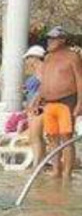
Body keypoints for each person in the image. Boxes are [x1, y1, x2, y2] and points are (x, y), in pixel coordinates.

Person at [39, 26, 82, 179]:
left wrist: (80, 104)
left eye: (53, 38)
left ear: (62, 40)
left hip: (66, 100)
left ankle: (67, 174)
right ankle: (56, 170)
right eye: (49, 38)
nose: (49, 41)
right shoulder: (48, 57)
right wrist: (36, 100)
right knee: (51, 137)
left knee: (66, 138)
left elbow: (80, 80)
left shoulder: (73, 57)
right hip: (48, 102)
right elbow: (44, 81)